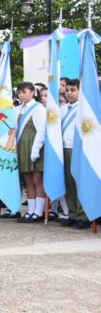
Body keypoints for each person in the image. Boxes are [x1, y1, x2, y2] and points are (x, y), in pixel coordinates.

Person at [59, 79, 90, 229]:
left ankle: (83, 215)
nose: (69, 93)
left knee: (79, 182)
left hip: (78, 149)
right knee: (68, 182)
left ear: (80, 91)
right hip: (63, 148)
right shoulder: (63, 108)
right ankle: (71, 213)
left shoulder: (85, 108)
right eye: (67, 90)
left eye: (73, 90)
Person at [15, 82, 46, 223]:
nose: (21, 95)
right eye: (19, 92)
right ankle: (30, 210)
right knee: (27, 180)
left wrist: (36, 149)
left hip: (34, 145)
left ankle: (38, 211)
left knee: (37, 180)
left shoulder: (38, 108)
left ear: (32, 92)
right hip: (22, 146)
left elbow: (41, 131)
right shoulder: (17, 109)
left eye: (24, 92)